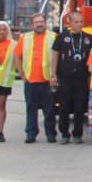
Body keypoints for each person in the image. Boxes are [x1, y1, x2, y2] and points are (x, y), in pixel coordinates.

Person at [51, 11, 92, 144]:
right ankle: (65, 134)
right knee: (64, 107)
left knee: (80, 107)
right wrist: (53, 75)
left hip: (81, 78)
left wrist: (90, 77)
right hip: (64, 78)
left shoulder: (88, 38)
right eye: (76, 22)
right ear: (69, 23)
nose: (79, 24)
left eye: (81, 21)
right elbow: (55, 56)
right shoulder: (61, 37)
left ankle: (77, 134)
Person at [15, 13, 56, 143]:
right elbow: (17, 56)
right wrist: (21, 74)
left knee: (49, 109)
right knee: (31, 108)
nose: (39, 24)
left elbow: (58, 57)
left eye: (42, 22)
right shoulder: (25, 38)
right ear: (32, 25)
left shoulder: (53, 37)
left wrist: (55, 76)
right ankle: (31, 133)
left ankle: (50, 133)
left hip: (47, 80)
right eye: (37, 22)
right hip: (31, 79)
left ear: (45, 23)